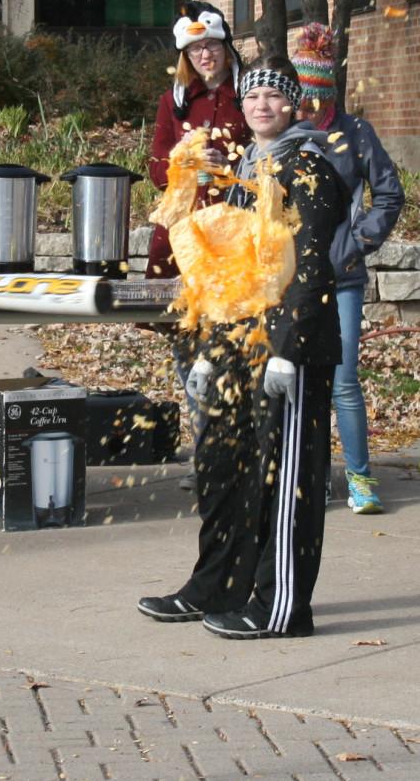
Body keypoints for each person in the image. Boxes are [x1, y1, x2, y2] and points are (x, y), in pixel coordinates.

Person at [139, 55, 350, 639]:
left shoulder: (308, 167)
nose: (262, 104)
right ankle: (217, 585)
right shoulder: (243, 171)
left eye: (275, 96)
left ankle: (281, 604)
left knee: (284, 476)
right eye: (253, 94)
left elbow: (310, 268)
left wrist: (289, 347)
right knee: (224, 467)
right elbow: (228, 273)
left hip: (292, 347)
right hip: (236, 344)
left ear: (293, 105)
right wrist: (209, 349)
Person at [292, 23, 405, 514]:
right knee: (296, 378)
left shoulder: (356, 132)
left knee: (342, 379)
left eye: (318, 97)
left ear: (330, 92)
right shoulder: (287, 135)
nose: (310, 109)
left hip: (342, 276)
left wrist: (360, 240)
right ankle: (306, 475)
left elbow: (389, 192)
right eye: (303, 97)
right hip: (290, 279)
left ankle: (360, 477)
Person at [145, 0, 251, 489]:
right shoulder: (175, 100)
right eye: (195, 48)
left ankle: (239, 451)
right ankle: (206, 453)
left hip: (234, 239)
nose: (205, 54)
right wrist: (185, 161)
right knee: (190, 350)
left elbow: (267, 154)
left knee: (232, 346)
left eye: (211, 44)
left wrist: (229, 164)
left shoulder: (248, 94)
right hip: (182, 242)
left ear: (226, 45)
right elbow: (154, 168)